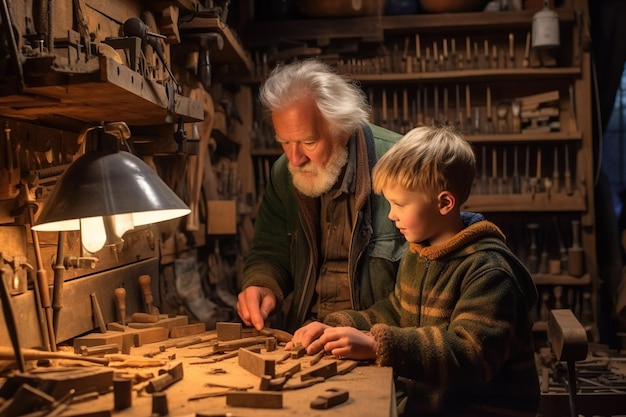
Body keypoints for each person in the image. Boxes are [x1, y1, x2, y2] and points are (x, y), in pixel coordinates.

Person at [286, 125, 541, 417]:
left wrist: (376, 344)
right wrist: (340, 326)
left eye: (400, 204)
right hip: (431, 407)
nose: (391, 215)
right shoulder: (420, 252)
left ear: (444, 203)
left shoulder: (489, 272)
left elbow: (471, 355)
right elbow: (396, 311)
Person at [237, 59, 407, 333]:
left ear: (343, 129)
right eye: (284, 142)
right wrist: (262, 283)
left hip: (376, 338)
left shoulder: (402, 165)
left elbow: (428, 284)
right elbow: (270, 250)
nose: (294, 158)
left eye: (308, 142)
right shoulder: (283, 173)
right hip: (305, 337)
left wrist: (362, 332)